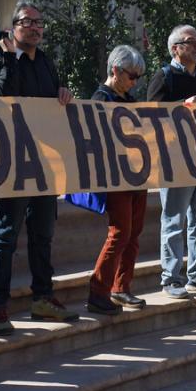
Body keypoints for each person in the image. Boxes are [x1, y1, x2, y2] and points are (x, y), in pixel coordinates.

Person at [0, 0, 78, 335]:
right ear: (13, 26)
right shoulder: (1, 59)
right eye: (29, 22)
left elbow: (52, 98)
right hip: (13, 161)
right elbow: (1, 95)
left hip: (44, 162)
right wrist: (8, 57)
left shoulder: (47, 62)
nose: (36, 28)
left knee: (43, 233)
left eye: (40, 23)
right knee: (7, 234)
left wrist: (63, 92)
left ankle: (42, 297)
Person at [146, 24, 196, 299]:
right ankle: (171, 278)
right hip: (176, 160)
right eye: (191, 42)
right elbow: (151, 118)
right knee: (173, 220)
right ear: (176, 48)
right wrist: (182, 105)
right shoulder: (163, 77)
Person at [87, 45, 148, 315]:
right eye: (131, 76)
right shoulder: (101, 99)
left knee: (133, 233)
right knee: (119, 233)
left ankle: (121, 287)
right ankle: (98, 291)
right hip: (116, 178)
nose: (134, 82)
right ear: (115, 71)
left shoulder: (130, 100)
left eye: (138, 77)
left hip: (136, 175)